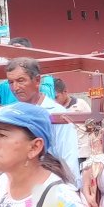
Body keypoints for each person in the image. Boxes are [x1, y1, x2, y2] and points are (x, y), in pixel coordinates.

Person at [4, 58, 81, 186]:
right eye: (11, 82)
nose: (15, 87)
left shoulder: (58, 114)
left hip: (52, 186)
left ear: (37, 80)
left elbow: (68, 156)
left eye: (21, 80)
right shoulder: (9, 114)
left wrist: (71, 190)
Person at [0, 37, 57, 106]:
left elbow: (46, 99)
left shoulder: (44, 79)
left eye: (20, 55)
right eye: (12, 55)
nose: (15, 88)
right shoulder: (5, 85)